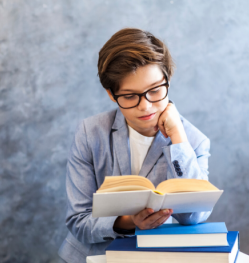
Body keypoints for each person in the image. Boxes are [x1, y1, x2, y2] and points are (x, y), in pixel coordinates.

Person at [58, 28, 212, 263]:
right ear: (111, 94)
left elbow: (195, 214)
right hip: (94, 257)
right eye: (130, 96)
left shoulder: (193, 140)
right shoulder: (90, 133)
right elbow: (78, 221)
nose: (146, 106)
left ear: (168, 82)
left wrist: (179, 138)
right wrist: (128, 221)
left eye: (155, 91)